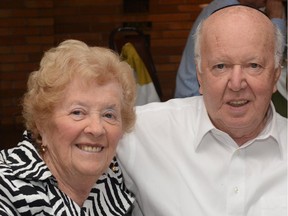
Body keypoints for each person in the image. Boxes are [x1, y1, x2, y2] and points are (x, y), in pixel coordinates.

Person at [117, 5, 287, 216]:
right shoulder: (141, 132)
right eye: (220, 66)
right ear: (199, 76)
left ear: (276, 76)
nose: (236, 83)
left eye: (253, 65)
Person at [0, 39, 137, 215]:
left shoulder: (113, 176)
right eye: (78, 112)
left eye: (108, 115)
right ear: (42, 123)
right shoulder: (7, 189)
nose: (96, 129)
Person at [174, 0, 287, 98]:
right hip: (197, 97)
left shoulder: (221, 4)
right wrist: (277, 17)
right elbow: (272, 55)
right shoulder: (231, 12)